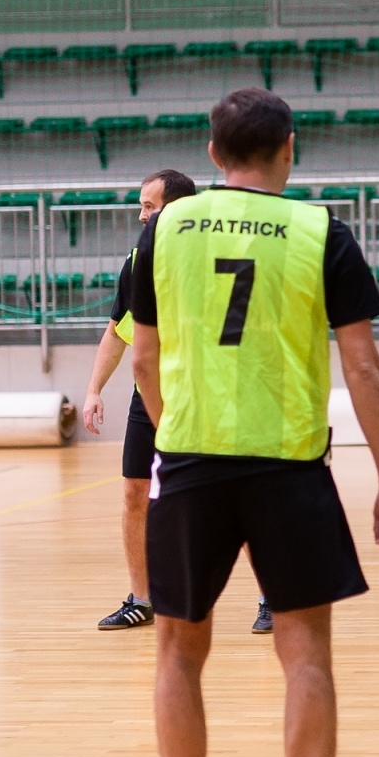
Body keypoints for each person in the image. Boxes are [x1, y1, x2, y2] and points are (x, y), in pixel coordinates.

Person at [122, 88, 379, 757]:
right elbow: (362, 366)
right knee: (304, 654)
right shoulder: (323, 233)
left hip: (189, 461)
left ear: (212, 156)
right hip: (289, 465)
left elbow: (142, 362)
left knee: (179, 651)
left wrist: (175, 437)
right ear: (291, 147)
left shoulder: (164, 229)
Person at [85, 168, 274, 636]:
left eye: (150, 206)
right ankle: (141, 599)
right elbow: (118, 330)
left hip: (209, 395)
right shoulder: (137, 260)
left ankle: (272, 594)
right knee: (134, 494)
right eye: (141, 208)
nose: (143, 216)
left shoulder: (221, 255)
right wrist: (93, 390)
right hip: (150, 395)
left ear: (180, 208)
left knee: (238, 499)